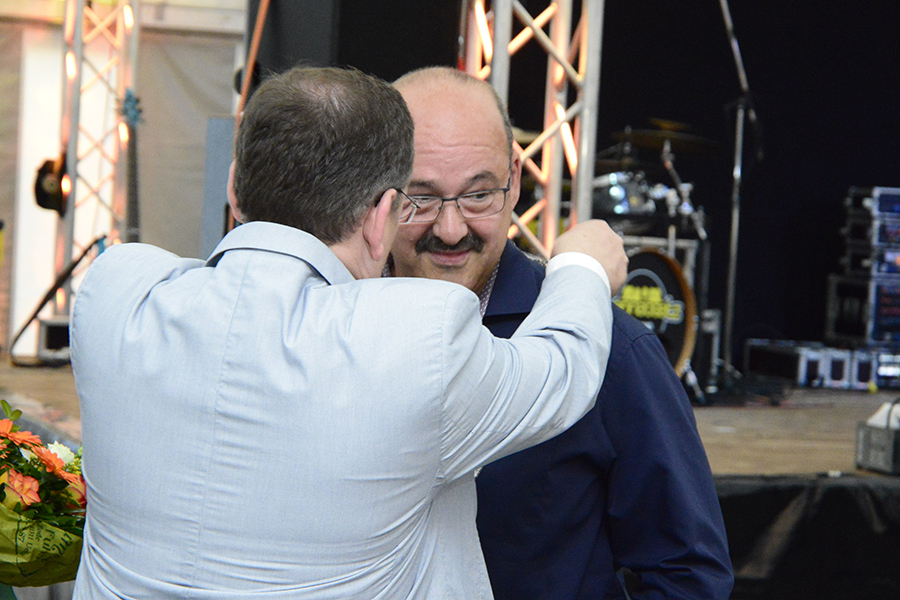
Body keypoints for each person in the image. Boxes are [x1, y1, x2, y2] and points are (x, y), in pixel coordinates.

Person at [69, 66, 629, 599]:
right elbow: (562, 368)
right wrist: (582, 265)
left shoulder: (114, 294)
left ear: (234, 188)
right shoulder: (418, 342)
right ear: (383, 216)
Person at [390, 66, 734, 600]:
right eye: (422, 198)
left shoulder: (611, 348)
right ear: (376, 190)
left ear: (515, 181)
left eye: (479, 195)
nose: (451, 229)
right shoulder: (334, 325)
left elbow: (689, 574)